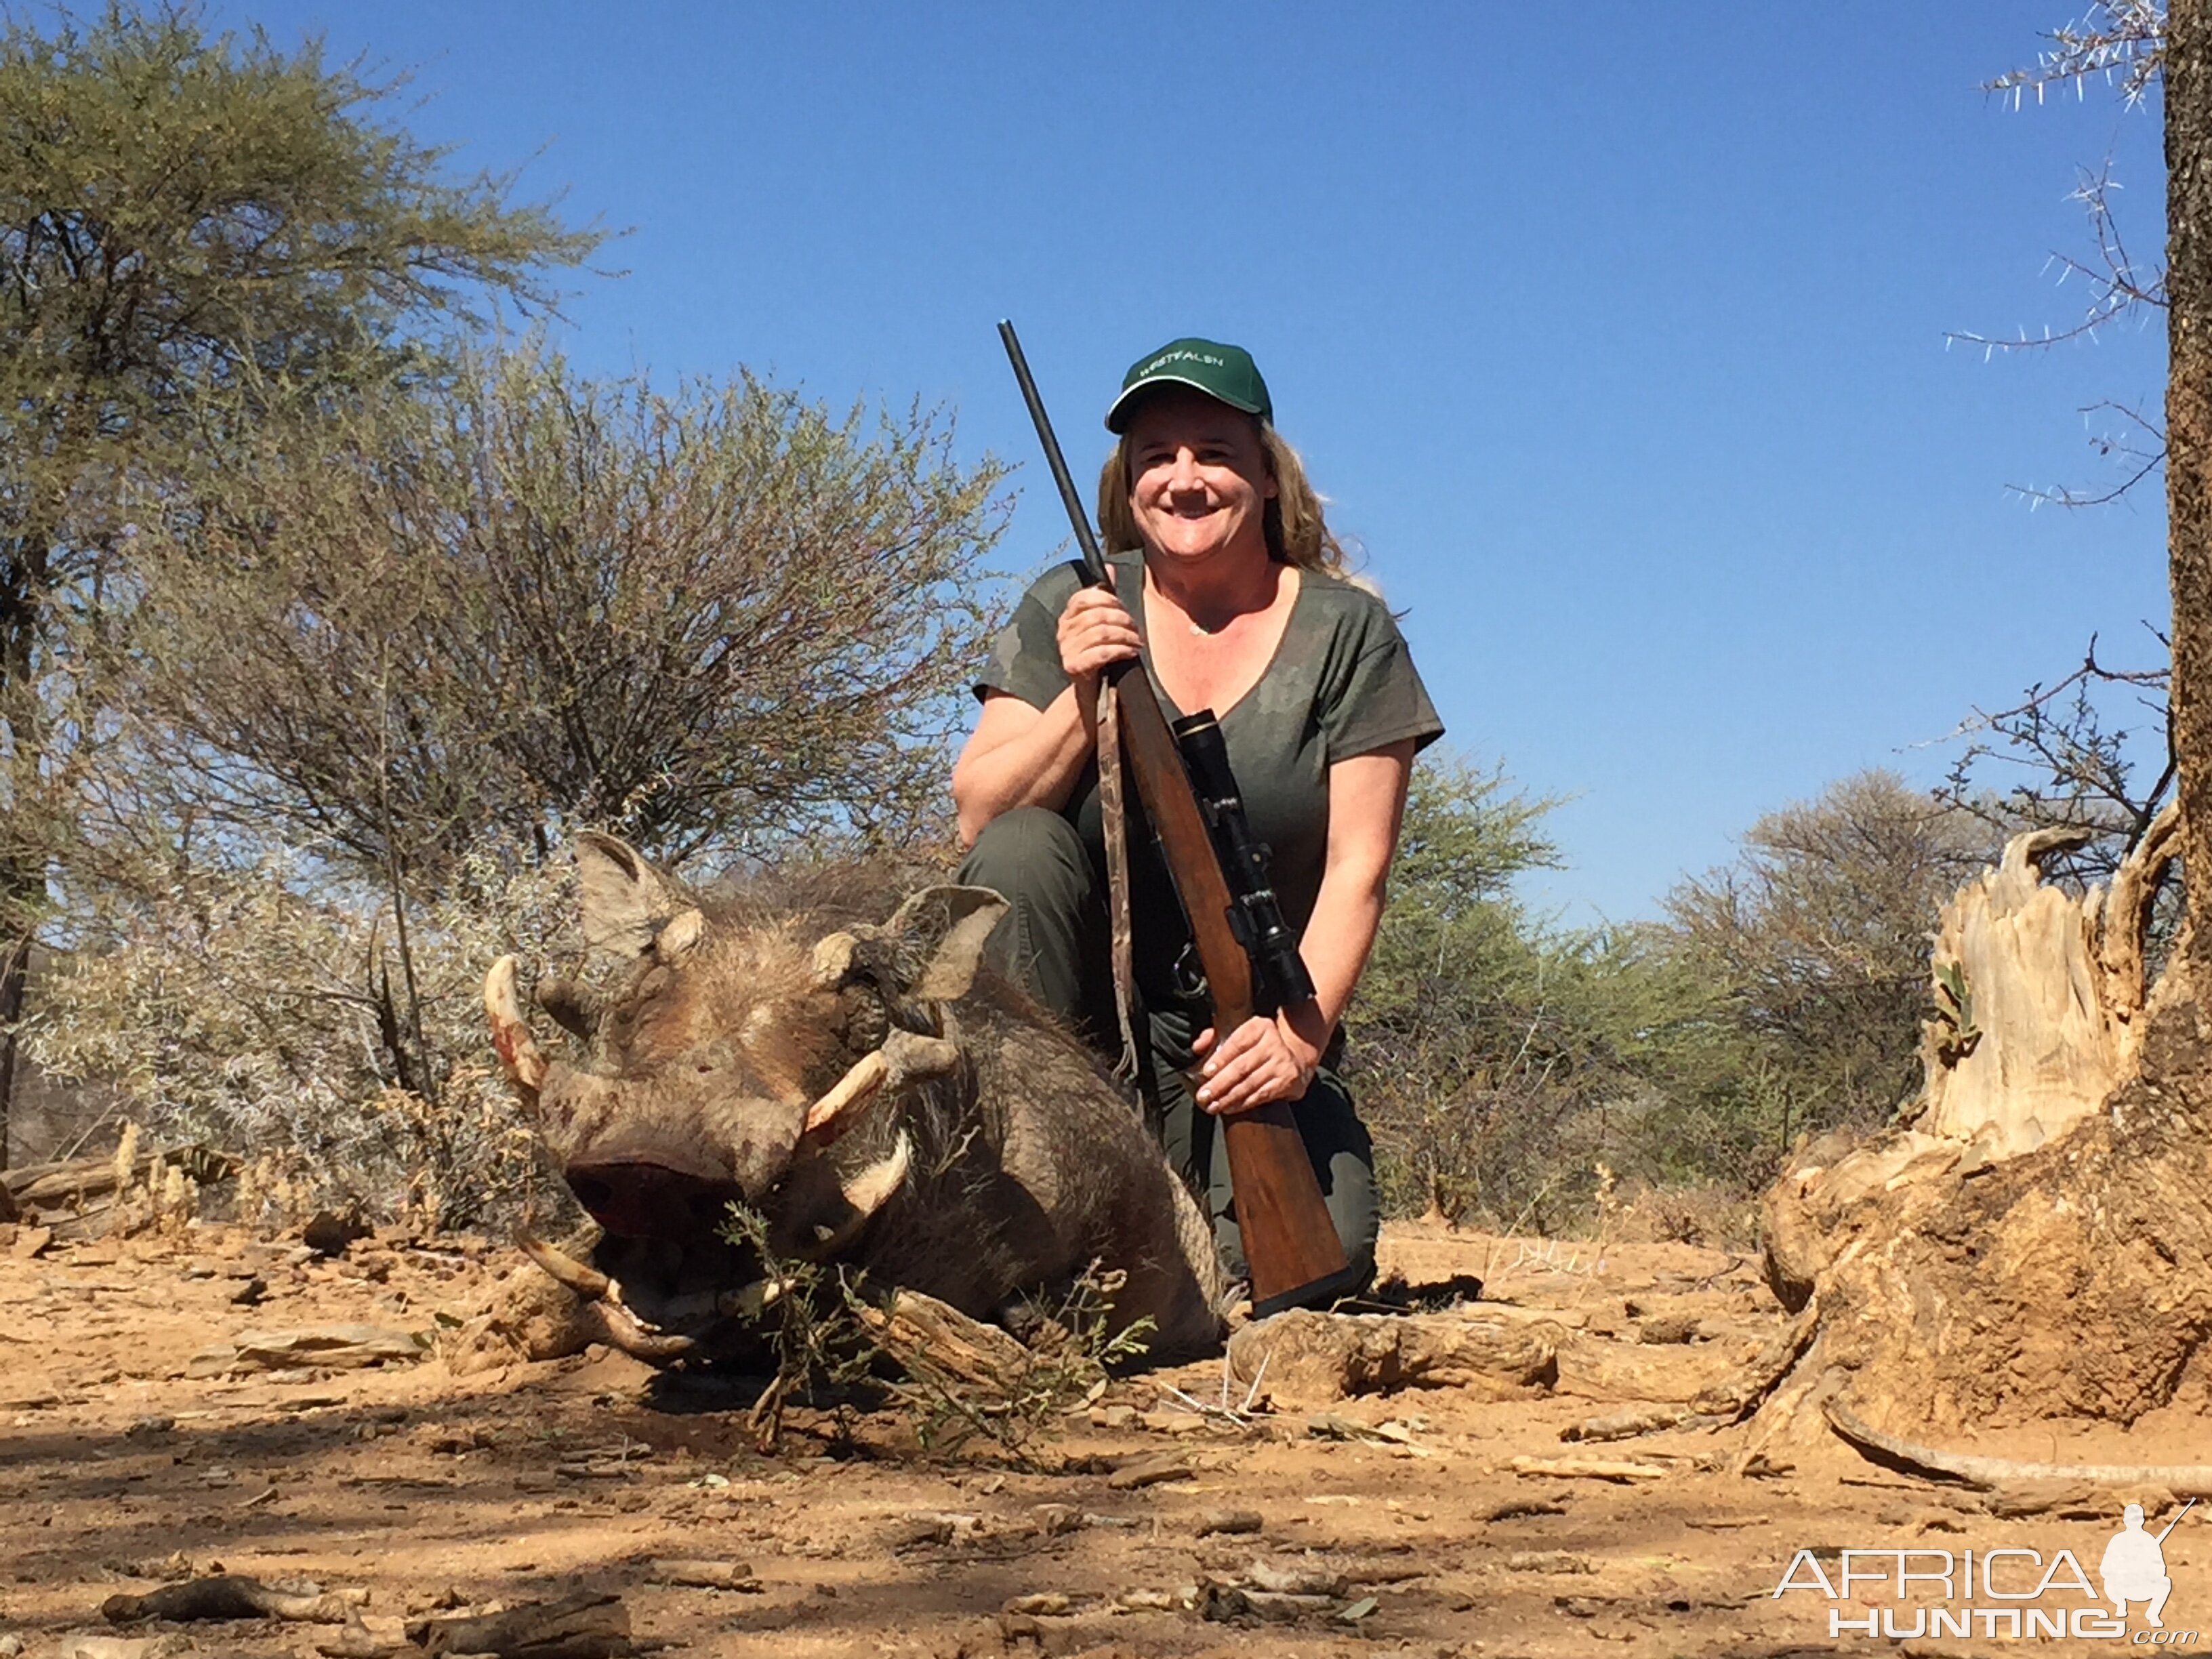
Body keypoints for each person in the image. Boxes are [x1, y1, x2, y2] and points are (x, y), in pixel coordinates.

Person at [951, 335, 1443, 1303]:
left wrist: (1297, 1037)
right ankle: (1016, 1174)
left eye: (1214, 451)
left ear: (1266, 473)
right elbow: (978, 815)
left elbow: (1359, 870)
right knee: (1022, 844)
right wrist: (1081, 691)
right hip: (1076, 1035)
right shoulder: (1073, 599)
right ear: (1127, 483)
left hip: (1248, 1029)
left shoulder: (1348, 631)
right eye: (1156, 456)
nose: (1185, 478)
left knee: (1310, 1271)